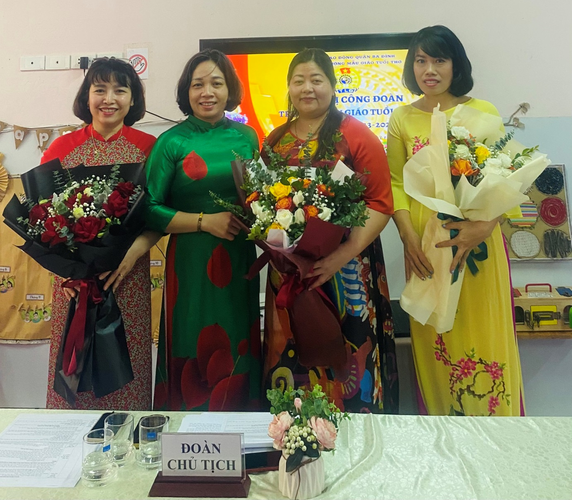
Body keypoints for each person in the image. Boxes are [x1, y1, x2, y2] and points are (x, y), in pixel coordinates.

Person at [387, 25, 524, 416]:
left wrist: (485, 227)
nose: (429, 70)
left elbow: (507, 178)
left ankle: (495, 430)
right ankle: (444, 427)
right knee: (436, 338)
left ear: (456, 64)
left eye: (439, 60)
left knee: (484, 335)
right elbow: (395, 183)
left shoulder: (483, 113)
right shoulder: (401, 119)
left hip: (479, 248)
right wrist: (408, 239)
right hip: (426, 249)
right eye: (420, 60)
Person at [263, 49, 398, 413]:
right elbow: (260, 201)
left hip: (347, 266)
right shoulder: (275, 140)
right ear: (289, 88)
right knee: (293, 352)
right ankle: (293, 431)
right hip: (290, 271)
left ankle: (355, 425)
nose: (307, 88)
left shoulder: (356, 135)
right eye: (298, 81)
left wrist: (340, 256)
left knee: (349, 350)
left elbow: (380, 204)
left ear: (333, 86)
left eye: (316, 80)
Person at [144, 49, 261, 411]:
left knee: (239, 338)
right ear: (187, 90)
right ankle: (187, 427)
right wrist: (203, 221)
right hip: (191, 263)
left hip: (239, 258)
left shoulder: (247, 137)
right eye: (198, 85)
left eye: (216, 83)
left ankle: (242, 428)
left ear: (230, 90)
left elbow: (262, 196)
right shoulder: (171, 142)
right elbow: (148, 208)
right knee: (192, 338)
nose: (207, 92)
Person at [41, 57, 156, 409]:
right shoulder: (61, 148)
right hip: (72, 285)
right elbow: (41, 220)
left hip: (125, 279)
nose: (109, 99)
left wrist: (130, 256)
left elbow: (158, 217)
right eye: (100, 89)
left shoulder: (150, 148)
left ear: (133, 99)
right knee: (75, 376)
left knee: (126, 369)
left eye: (120, 90)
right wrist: (65, 273)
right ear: (86, 96)